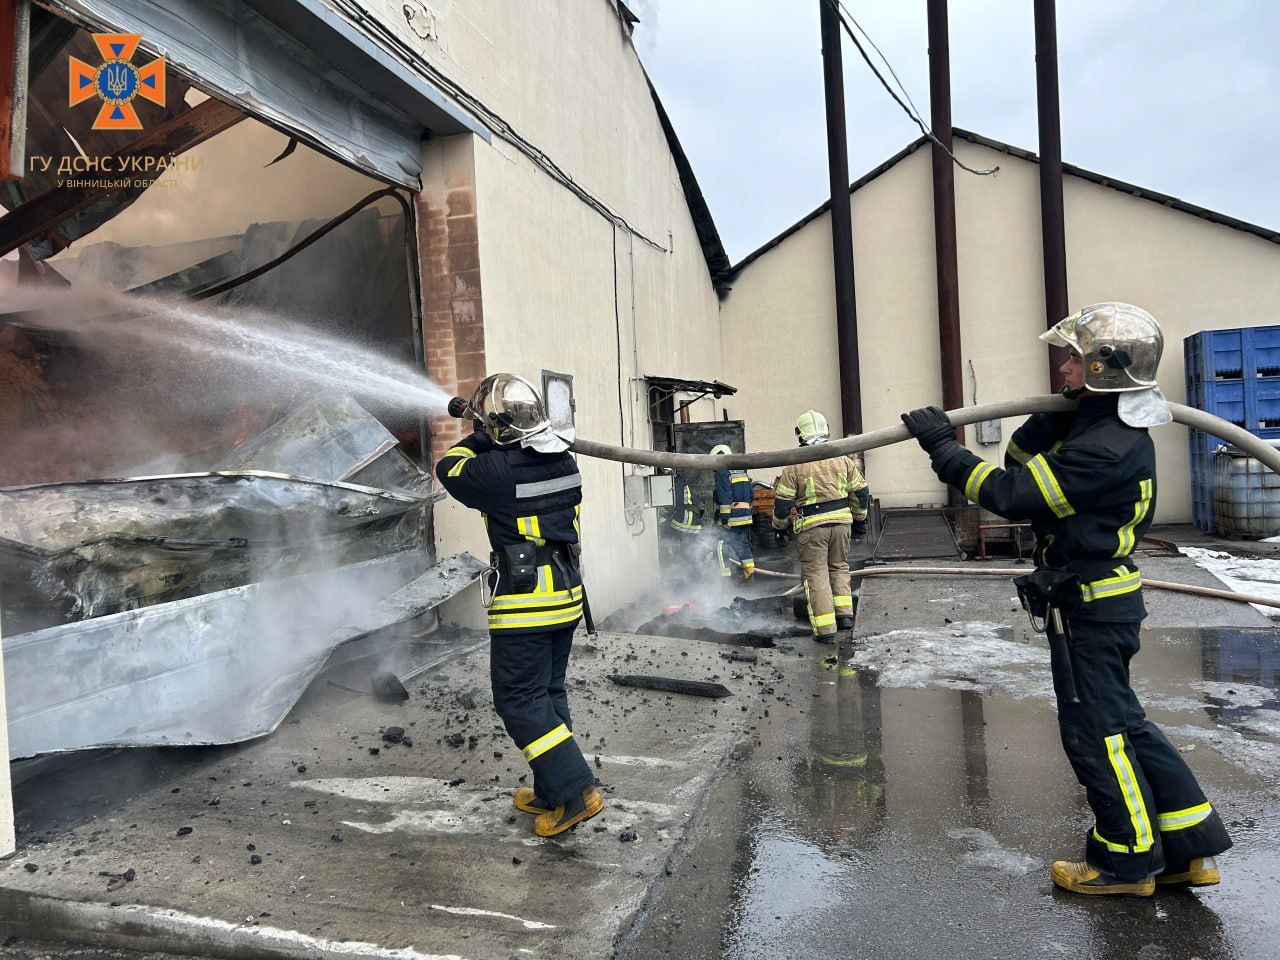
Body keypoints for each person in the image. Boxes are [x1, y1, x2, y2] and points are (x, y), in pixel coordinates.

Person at [901, 302, 1231, 896]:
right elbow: (1025, 467)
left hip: (1089, 607)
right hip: (1102, 600)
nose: (1065, 369)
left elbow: (1011, 494)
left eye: (1076, 359)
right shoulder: (1102, 430)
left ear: (1105, 369)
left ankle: (1126, 862)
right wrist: (1046, 423)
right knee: (1126, 724)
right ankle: (1188, 846)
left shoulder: (1104, 447)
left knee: (1094, 733)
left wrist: (943, 451)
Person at [436, 373, 602, 837]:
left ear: (499, 429)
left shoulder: (495, 472)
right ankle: (552, 787)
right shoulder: (565, 462)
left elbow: (449, 468)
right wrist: (497, 436)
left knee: (518, 700)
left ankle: (574, 794)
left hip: (528, 603)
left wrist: (478, 436)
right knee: (547, 694)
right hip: (566, 595)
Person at [771, 410, 870, 642]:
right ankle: (845, 616)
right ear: (826, 430)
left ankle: (825, 631)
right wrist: (860, 519)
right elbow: (861, 492)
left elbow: (783, 503)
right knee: (839, 567)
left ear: (799, 434)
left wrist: (779, 526)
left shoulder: (794, 465)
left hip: (813, 527)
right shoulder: (842, 459)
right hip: (842, 524)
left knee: (816, 575)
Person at [711, 444, 756, 581]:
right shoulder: (741, 471)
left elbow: (725, 497)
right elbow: (751, 496)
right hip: (746, 516)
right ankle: (749, 575)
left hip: (732, 517)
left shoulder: (722, 471)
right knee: (743, 545)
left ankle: (724, 579)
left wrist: (725, 519)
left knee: (720, 545)